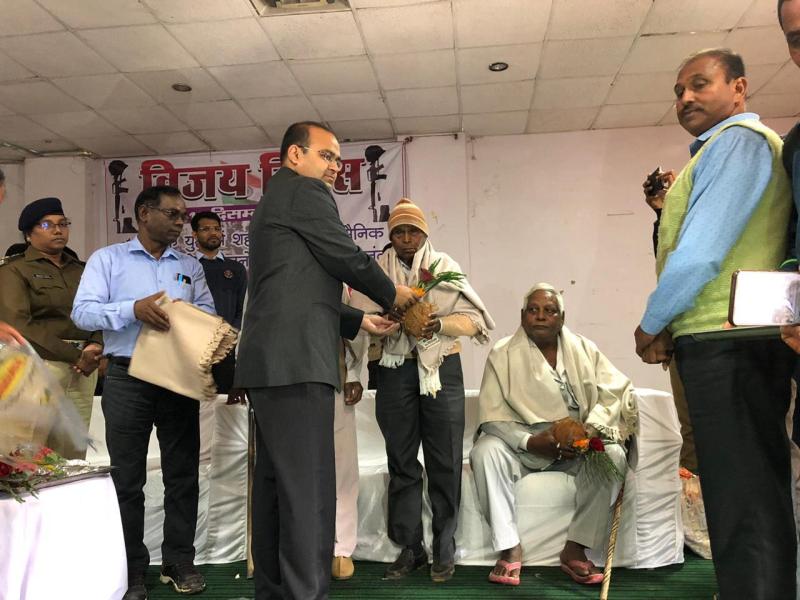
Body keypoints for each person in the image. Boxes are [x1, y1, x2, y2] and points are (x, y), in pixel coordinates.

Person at [634, 48, 797, 599]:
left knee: (743, 499)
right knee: (742, 495)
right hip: (726, 341)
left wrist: (651, 323)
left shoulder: (738, 143)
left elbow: (701, 254)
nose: (685, 98)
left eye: (700, 84)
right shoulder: (721, 150)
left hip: (731, 343)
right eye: (678, 91)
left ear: (739, 88)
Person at [235, 121, 415, 600]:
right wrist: (393, 294)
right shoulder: (305, 192)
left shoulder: (277, 198)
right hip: (296, 361)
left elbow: (294, 284)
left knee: (278, 488)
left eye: (338, 158)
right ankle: (306, 593)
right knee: (308, 491)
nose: (336, 166)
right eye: (326, 155)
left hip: (274, 361)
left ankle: (276, 591)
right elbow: (343, 255)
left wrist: (358, 319)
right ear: (295, 155)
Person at [72, 185, 216, 600]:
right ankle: (131, 569)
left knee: (182, 475)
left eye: (183, 216)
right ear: (143, 214)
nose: (180, 222)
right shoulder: (108, 260)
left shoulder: (189, 265)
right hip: (126, 375)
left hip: (177, 377)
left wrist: (187, 316)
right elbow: (82, 312)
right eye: (172, 214)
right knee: (127, 478)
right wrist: (131, 310)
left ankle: (179, 561)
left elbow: (208, 312)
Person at [350, 197, 495, 583]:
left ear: (424, 234)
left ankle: (444, 542)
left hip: (440, 367)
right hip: (392, 368)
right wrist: (384, 320)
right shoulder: (375, 273)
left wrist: (438, 325)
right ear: (390, 235)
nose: (406, 238)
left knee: (444, 457)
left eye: (413, 231)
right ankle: (409, 546)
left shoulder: (443, 267)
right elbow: (357, 322)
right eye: (398, 231)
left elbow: (474, 319)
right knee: (400, 459)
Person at [471, 284, 636, 587]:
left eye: (549, 311)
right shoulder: (502, 353)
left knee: (613, 454)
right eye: (533, 310)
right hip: (524, 445)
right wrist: (531, 442)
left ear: (562, 318)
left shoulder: (584, 349)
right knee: (484, 451)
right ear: (523, 316)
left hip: (577, 444)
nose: (541, 316)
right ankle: (509, 547)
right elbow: (492, 417)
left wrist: (587, 430)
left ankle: (576, 548)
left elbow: (615, 391)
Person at [0, 197, 103, 459]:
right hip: (38, 364)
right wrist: (76, 356)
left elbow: (101, 310)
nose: (58, 230)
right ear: (28, 234)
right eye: (47, 225)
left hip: (84, 366)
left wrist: (96, 343)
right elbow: (20, 324)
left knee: (72, 450)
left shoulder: (83, 269)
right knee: (29, 447)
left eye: (63, 224)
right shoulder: (15, 270)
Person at [641, 171, 697, 473]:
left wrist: (649, 327)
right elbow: (668, 267)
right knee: (692, 435)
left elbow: (698, 263)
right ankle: (696, 501)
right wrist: (664, 212)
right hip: (684, 332)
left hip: (727, 333)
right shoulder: (671, 225)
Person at [190, 210, 247, 402]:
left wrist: (231, 337)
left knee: (226, 405)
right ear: (194, 234)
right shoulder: (186, 266)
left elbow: (242, 308)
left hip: (226, 349)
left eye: (217, 228)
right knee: (193, 406)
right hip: (194, 349)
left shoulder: (236, 269)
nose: (213, 233)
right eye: (206, 229)